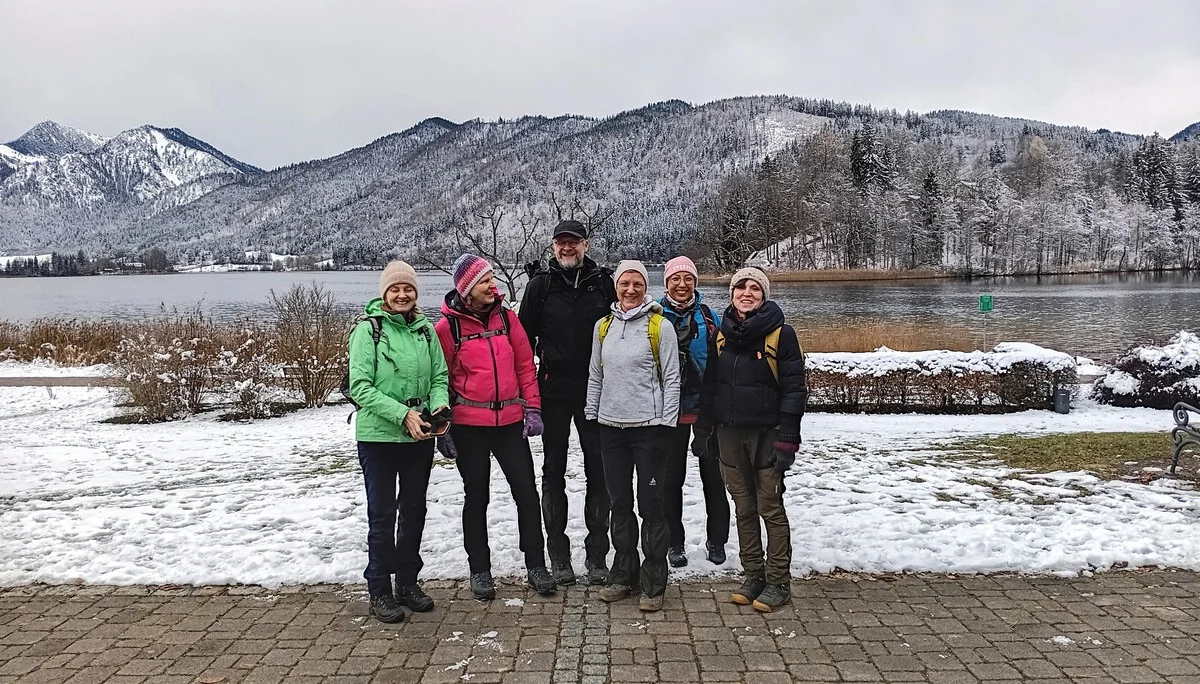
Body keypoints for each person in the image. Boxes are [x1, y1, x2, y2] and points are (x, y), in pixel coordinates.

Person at [433, 254, 557, 601]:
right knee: (477, 497)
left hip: (509, 424)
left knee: (526, 494)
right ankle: (480, 570)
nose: (493, 286)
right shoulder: (448, 328)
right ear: (468, 289)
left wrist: (532, 408)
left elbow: (523, 367)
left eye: (491, 279)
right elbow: (438, 380)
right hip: (469, 424)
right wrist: (443, 427)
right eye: (485, 281)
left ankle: (536, 563)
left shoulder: (507, 319)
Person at [696, 267, 807, 613]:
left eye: (754, 288)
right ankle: (753, 574)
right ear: (731, 294)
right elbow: (711, 387)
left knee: (770, 508)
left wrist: (788, 439)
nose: (747, 293)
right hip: (729, 436)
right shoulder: (721, 334)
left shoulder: (781, 334)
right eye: (740, 287)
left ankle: (778, 582)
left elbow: (794, 389)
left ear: (764, 295)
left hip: (767, 436)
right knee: (743, 508)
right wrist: (702, 431)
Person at [349, 260, 451, 624]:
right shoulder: (368, 330)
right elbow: (359, 387)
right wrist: (402, 414)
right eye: (395, 289)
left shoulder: (425, 332)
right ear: (385, 293)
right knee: (382, 515)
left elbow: (439, 375)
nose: (402, 294)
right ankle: (378, 589)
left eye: (407, 288)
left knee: (414, 511)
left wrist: (438, 406)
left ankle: (407, 582)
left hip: (419, 435)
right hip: (379, 436)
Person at [519, 220, 617, 587]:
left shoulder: (603, 284)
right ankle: (558, 556)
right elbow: (522, 343)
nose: (567, 249)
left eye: (574, 243)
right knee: (553, 473)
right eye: (561, 243)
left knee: (600, 471)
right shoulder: (540, 287)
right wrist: (526, 397)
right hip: (553, 393)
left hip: (596, 393)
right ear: (553, 246)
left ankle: (597, 557)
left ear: (585, 245)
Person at [585, 260, 680, 612]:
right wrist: (592, 415)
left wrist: (667, 425)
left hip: (649, 430)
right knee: (619, 504)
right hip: (611, 430)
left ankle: (654, 581)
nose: (630, 290)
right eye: (625, 283)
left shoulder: (660, 327)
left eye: (637, 283)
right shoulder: (603, 327)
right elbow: (596, 375)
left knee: (652, 506)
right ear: (616, 286)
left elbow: (672, 379)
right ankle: (622, 574)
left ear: (646, 286)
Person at [657, 256, 730, 568]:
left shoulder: (709, 316)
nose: (682, 284)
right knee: (670, 480)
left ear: (695, 283)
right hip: (669, 411)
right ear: (667, 283)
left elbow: (725, 361)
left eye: (688, 279)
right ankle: (675, 542)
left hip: (706, 412)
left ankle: (717, 540)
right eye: (675, 279)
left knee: (714, 478)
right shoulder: (655, 316)